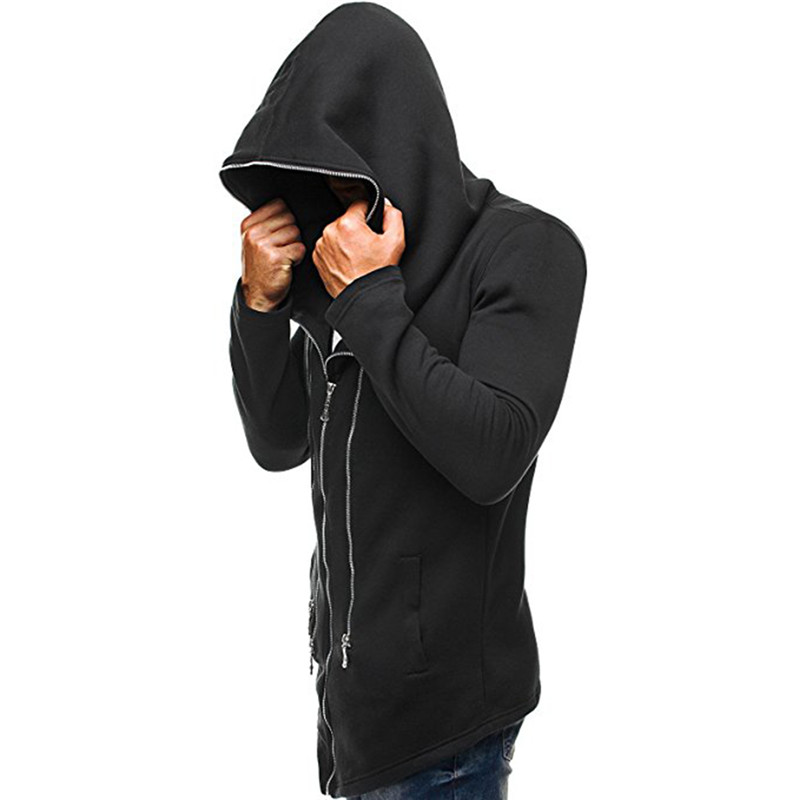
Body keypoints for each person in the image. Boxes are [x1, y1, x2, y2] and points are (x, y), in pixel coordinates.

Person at [220, 3, 586, 798]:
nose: (327, 201)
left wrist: (370, 299)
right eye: (307, 177)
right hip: (347, 714)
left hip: (449, 734)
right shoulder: (337, 269)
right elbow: (279, 442)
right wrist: (260, 307)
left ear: (399, 140)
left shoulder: (527, 249)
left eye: (342, 170)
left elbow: (491, 455)